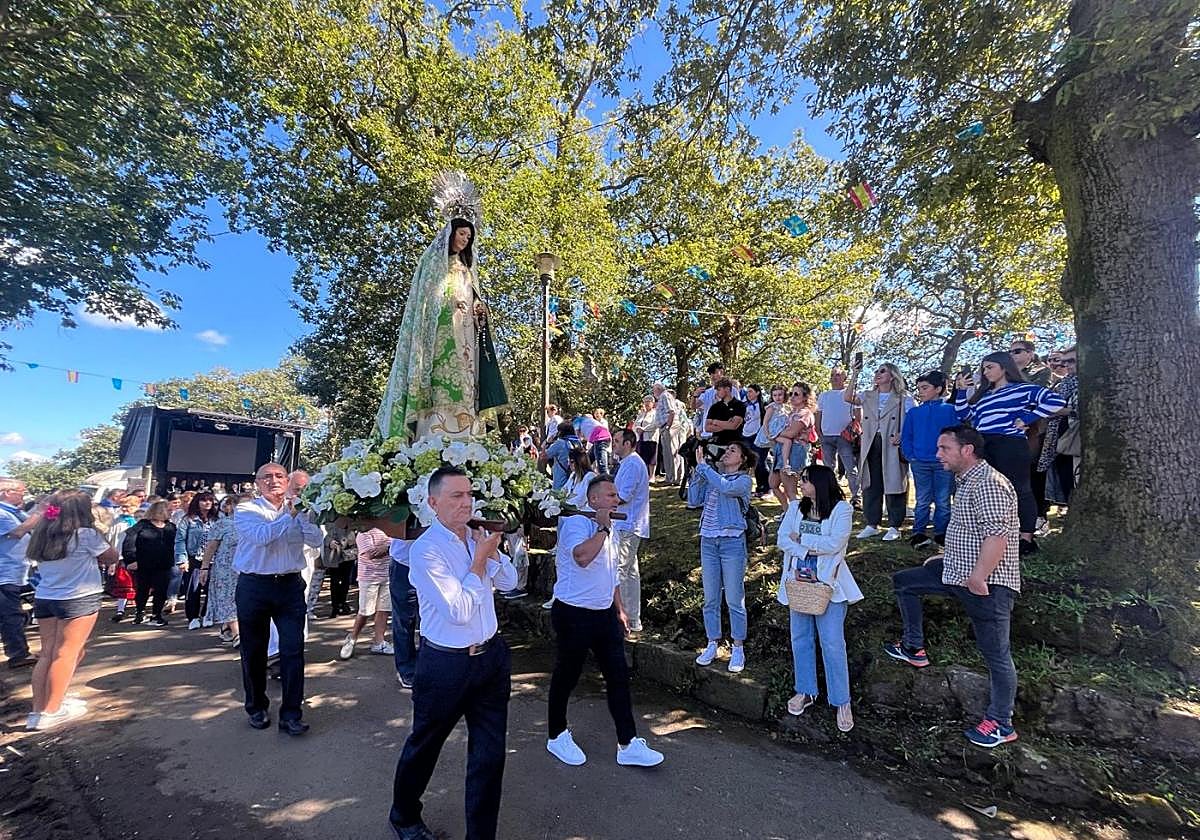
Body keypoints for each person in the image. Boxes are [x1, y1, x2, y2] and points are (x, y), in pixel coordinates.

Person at [389, 467, 517, 840]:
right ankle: (404, 815)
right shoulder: (427, 550)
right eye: (455, 496)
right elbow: (459, 611)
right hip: (446, 664)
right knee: (425, 745)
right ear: (433, 503)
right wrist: (479, 560)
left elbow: (510, 583)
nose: (466, 503)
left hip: (491, 659)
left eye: (469, 494)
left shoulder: (476, 539)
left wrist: (490, 554)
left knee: (489, 757)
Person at [885, 426, 1022, 748]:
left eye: (944, 448)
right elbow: (972, 531)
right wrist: (945, 557)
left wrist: (978, 577)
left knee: (997, 656)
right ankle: (913, 647)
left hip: (988, 585)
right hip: (954, 572)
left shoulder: (989, 484)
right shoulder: (969, 482)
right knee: (905, 582)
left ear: (967, 450)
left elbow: (996, 536)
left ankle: (1002, 722)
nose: (937, 455)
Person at [375, 172, 508, 440]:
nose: (464, 240)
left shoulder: (468, 271)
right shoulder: (432, 263)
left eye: (469, 237)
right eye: (461, 234)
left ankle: (466, 433)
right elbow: (424, 302)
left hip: (465, 338)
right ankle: (432, 430)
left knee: (466, 381)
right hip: (438, 335)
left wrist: (479, 312)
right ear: (450, 233)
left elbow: (474, 299)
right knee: (439, 379)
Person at [545, 476, 665, 768]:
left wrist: (620, 609)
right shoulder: (577, 523)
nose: (616, 500)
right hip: (573, 614)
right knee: (567, 675)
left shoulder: (609, 530)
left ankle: (628, 743)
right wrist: (601, 525)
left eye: (617, 496)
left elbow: (609, 574)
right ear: (594, 499)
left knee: (618, 677)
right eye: (610, 495)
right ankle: (556, 734)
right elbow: (582, 557)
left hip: (604, 615)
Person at [232, 462, 322, 736]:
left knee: (293, 651)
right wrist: (290, 516)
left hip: (289, 586)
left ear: (287, 481)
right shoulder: (247, 509)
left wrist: (302, 517)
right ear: (257, 483)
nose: (274, 481)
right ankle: (256, 706)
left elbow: (316, 540)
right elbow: (262, 537)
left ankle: (292, 714)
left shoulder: (299, 509)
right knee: (254, 651)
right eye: (267, 477)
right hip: (254, 586)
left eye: (279, 476)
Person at [776, 465, 862, 732]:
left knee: (833, 643)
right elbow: (782, 539)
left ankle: (841, 701)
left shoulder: (841, 510)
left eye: (806, 480)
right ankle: (805, 690)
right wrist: (809, 547)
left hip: (829, 586)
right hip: (798, 584)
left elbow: (835, 544)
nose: (801, 484)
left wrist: (800, 540)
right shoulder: (795, 508)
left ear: (821, 483)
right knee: (800, 638)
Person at [953, 351, 1066, 554]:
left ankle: (1026, 538)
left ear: (1004, 367)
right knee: (988, 489)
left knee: (1019, 489)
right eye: (984, 368)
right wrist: (962, 392)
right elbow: (964, 415)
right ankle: (993, 533)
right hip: (984, 443)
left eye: (990, 367)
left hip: (1010, 443)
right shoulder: (984, 395)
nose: (986, 372)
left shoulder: (1023, 389)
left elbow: (1056, 401)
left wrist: (1028, 418)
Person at [26, 490, 117, 731]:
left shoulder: (42, 532)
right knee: (66, 653)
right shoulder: (86, 534)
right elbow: (111, 557)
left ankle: (38, 710)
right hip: (78, 597)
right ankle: (52, 710)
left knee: (48, 654)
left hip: (45, 596)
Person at [687, 441, 755, 673]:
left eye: (732, 451)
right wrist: (696, 470)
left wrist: (705, 469)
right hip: (708, 541)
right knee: (710, 598)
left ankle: (738, 646)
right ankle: (712, 642)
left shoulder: (743, 481)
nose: (726, 453)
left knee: (735, 598)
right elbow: (694, 500)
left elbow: (727, 489)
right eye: (726, 450)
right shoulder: (712, 476)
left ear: (743, 459)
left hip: (732, 542)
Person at [845, 361, 913, 541]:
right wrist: (855, 374)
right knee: (871, 483)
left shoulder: (903, 397)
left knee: (894, 483)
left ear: (892, 376)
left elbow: (911, 420)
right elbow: (847, 397)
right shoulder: (867, 395)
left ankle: (894, 525)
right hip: (870, 443)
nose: (877, 374)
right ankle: (872, 523)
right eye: (876, 371)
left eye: (882, 371)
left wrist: (902, 435)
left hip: (891, 444)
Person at [901, 371, 958, 548]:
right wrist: (910, 455)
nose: (921, 392)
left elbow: (956, 435)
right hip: (920, 462)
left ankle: (941, 532)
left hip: (943, 463)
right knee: (922, 498)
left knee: (942, 499)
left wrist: (951, 457)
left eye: (925, 388)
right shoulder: (914, 413)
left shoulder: (950, 410)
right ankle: (919, 532)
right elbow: (907, 436)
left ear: (938, 389)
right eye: (919, 388)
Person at [611, 429, 650, 634]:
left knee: (621, 571)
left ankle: (623, 619)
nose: (613, 444)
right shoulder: (627, 463)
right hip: (625, 524)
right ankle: (633, 620)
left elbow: (623, 496)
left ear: (628, 443)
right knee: (631, 573)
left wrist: (602, 500)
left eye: (617, 441)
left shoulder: (633, 463)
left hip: (628, 525)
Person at [198, 494, 249, 646]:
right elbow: (211, 547)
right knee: (227, 599)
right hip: (225, 569)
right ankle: (236, 633)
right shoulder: (223, 524)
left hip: (248, 568)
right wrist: (205, 567)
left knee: (243, 601)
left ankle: (227, 627)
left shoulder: (255, 523)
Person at [0, 477, 40, 668]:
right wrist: (39, 513)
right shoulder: (2, 513)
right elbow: (18, 532)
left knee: (14, 613)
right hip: (4, 573)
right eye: (21, 492)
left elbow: (37, 525)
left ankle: (18, 651)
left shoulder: (15, 512)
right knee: (11, 615)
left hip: (16, 571)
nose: (24, 495)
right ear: (7, 492)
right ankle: (18, 654)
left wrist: (49, 509)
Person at [339, 527, 394, 659]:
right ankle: (352, 638)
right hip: (369, 577)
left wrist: (386, 546)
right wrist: (389, 546)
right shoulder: (363, 531)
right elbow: (371, 553)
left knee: (383, 609)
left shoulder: (389, 525)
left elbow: (397, 541)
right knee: (365, 611)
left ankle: (379, 642)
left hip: (387, 574)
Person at [122, 500, 178, 626]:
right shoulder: (142, 525)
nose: (171, 512)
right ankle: (140, 613)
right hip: (144, 564)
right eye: (168, 510)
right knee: (143, 589)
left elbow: (177, 544)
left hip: (164, 564)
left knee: (161, 590)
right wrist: (131, 560)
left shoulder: (171, 527)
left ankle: (156, 615)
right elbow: (129, 543)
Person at [175, 491, 220, 630]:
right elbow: (180, 540)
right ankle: (193, 617)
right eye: (203, 500)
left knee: (211, 589)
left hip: (214, 559)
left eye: (210, 500)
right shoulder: (188, 519)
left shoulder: (217, 519)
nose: (207, 503)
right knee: (193, 589)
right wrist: (182, 559)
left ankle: (207, 614)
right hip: (195, 558)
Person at [816, 367, 861, 506]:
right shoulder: (824, 395)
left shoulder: (850, 394)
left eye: (838, 375)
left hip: (844, 437)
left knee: (850, 468)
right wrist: (819, 432)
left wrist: (854, 431)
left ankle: (856, 497)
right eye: (832, 375)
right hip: (827, 436)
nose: (834, 377)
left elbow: (858, 415)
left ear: (844, 378)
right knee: (828, 468)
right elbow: (818, 414)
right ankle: (833, 496)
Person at [773, 382, 816, 500]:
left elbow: (791, 433)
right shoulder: (792, 413)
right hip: (784, 449)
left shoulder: (805, 414)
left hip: (796, 451)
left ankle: (797, 514)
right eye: (791, 393)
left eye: (796, 394)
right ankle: (788, 511)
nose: (792, 396)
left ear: (805, 397)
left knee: (791, 489)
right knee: (775, 484)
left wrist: (773, 434)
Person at [389, 533, 418, 689]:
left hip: (435, 560)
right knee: (404, 620)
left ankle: (429, 664)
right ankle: (407, 670)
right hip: (404, 563)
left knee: (434, 617)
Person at [741, 384, 770, 496]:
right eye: (747, 392)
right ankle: (757, 487)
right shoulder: (744, 405)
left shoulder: (764, 406)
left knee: (760, 462)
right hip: (746, 435)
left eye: (751, 391)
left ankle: (766, 487)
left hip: (758, 435)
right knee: (749, 462)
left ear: (757, 392)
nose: (748, 394)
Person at [323, 522, 358, 616]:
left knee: (345, 579)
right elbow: (324, 531)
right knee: (334, 580)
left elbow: (354, 529)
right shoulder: (328, 516)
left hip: (348, 551)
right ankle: (335, 606)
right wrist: (330, 542)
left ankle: (342, 603)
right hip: (334, 551)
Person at [653, 382, 683, 485]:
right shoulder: (664, 396)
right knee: (667, 453)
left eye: (654, 390)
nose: (653, 392)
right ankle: (671, 477)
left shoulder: (665, 395)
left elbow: (672, 412)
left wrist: (667, 426)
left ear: (658, 389)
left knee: (672, 452)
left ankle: (673, 479)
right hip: (665, 427)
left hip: (669, 426)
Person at [704, 377, 746, 448]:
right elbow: (707, 428)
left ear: (727, 389)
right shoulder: (714, 407)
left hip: (734, 446)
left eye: (719, 390)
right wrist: (727, 424)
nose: (717, 392)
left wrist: (715, 422)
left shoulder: (740, 405)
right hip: (716, 445)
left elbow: (734, 426)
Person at [541, 421, 582, 490]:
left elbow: (544, 456)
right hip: (575, 478)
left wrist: (547, 443)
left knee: (559, 497)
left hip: (560, 479)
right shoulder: (578, 442)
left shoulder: (560, 443)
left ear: (560, 432)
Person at [633, 395, 660, 474]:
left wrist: (644, 429)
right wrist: (637, 429)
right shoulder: (641, 414)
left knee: (651, 458)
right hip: (640, 438)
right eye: (645, 402)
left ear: (653, 403)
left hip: (650, 438)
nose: (647, 403)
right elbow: (635, 424)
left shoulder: (655, 413)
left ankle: (652, 475)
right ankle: (642, 474)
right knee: (640, 457)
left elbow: (655, 424)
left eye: (649, 401)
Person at [588, 409, 613, 474]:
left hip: (601, 440)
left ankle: (605, 477)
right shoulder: (594, 422)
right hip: (594, 442)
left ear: (601, 414)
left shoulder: (603, 422)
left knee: (601, 462)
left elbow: (602, 432)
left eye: (597, 413)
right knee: (591, 460)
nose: (596, 415)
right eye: (595, 413)